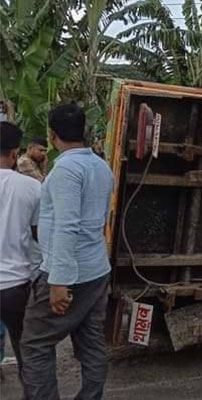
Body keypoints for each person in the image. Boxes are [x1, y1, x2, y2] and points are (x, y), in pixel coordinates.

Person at [20, 104, 114, 400]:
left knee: (35, 345)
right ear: (84, 131)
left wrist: (58, 281)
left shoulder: (66, 169)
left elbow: (67, 226)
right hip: (96, 269)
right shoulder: (101, 166)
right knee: (90, 341)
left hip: (69, 273)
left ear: (51, 135)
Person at [0, 121, 42, 396]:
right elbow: (40, 236)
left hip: (15, 283)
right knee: (25, 352)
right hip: (15, 285)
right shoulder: (31, 187)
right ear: (15, 153)